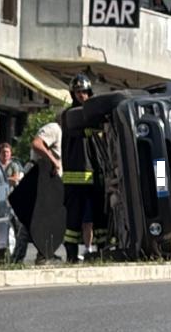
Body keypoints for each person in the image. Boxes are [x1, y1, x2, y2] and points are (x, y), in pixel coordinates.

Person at [61, 73, 105, 263]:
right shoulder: (70, 115)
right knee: (74, 217)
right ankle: (71, 253)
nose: (81, 95)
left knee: (99, 214)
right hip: (76, 175)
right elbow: (82, 132)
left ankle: (102, 250)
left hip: (96, 173)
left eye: (84, 92)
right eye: (78, 92)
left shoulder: (94, 114)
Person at [11, 109, 63, 264]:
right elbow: (36, 144)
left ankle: (41, 254)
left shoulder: (60, 133)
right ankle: (20, 257)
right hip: (40, 176)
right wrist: (53, 161)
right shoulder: (55, 128)